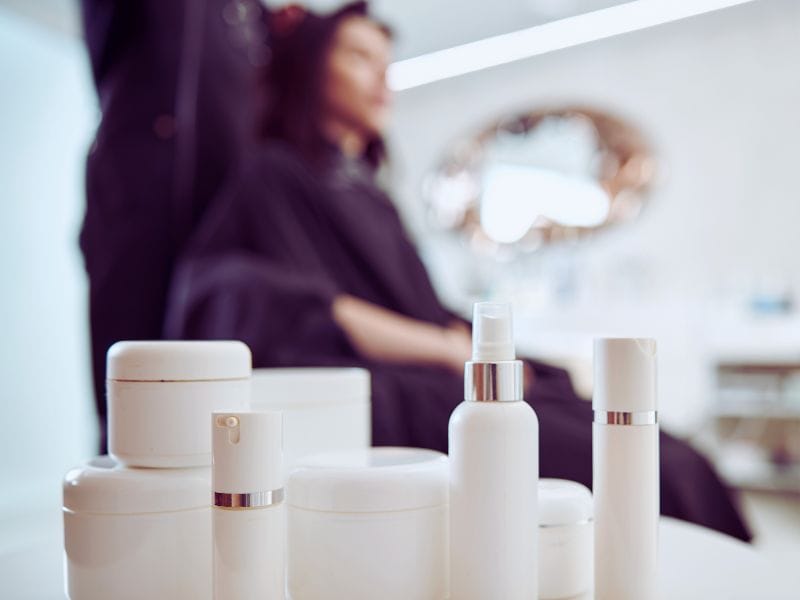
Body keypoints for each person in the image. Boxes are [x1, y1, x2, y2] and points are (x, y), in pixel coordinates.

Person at [165, 2, 752, 541]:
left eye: (387, 63)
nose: (381, 79)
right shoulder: (274, 178)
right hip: (405, 389)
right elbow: (285, 301)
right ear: (309, 69)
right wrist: (450, 351)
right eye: (359, 57)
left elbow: (419, 301)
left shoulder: (371, 197)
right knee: (659, 473)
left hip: (448, 370)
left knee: (659, 449)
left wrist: (482, 352)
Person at [79, 0, 270, 451]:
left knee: (214, 404)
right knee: (132, 406)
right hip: (139, 208)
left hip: (224, 225)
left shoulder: (252, 20)